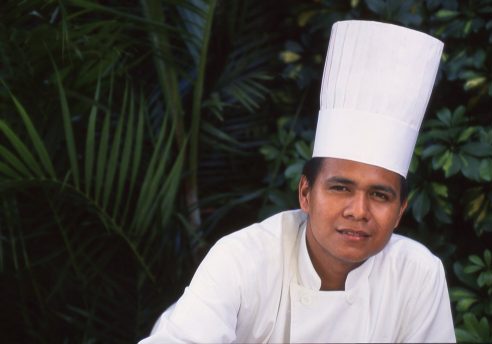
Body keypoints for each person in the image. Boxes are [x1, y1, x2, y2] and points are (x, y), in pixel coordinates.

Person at [139, 20, 456, 343]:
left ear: (400, 210)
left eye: (379, 195)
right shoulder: (242, 260)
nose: (358, 211)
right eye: (341, 187)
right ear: (305, 193)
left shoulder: (417, 275)